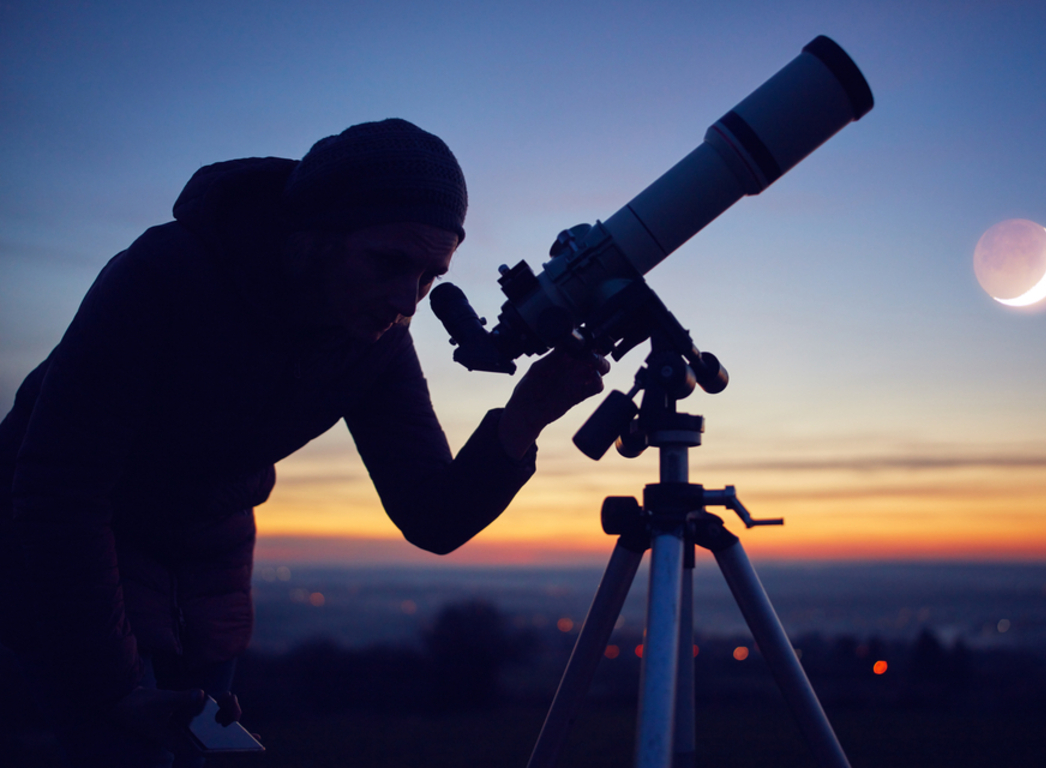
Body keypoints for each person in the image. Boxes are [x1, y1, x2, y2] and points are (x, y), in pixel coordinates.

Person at [0, 118, 607, 766]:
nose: (407, 299)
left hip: (207, 563)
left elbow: (432, 515)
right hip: (62, 550)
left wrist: (528, 415)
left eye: (430, 275)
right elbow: (61, 492)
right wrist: (113, 690)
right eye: (390, 262)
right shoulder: (161, 279)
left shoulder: (375, 341)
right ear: (314, 236)